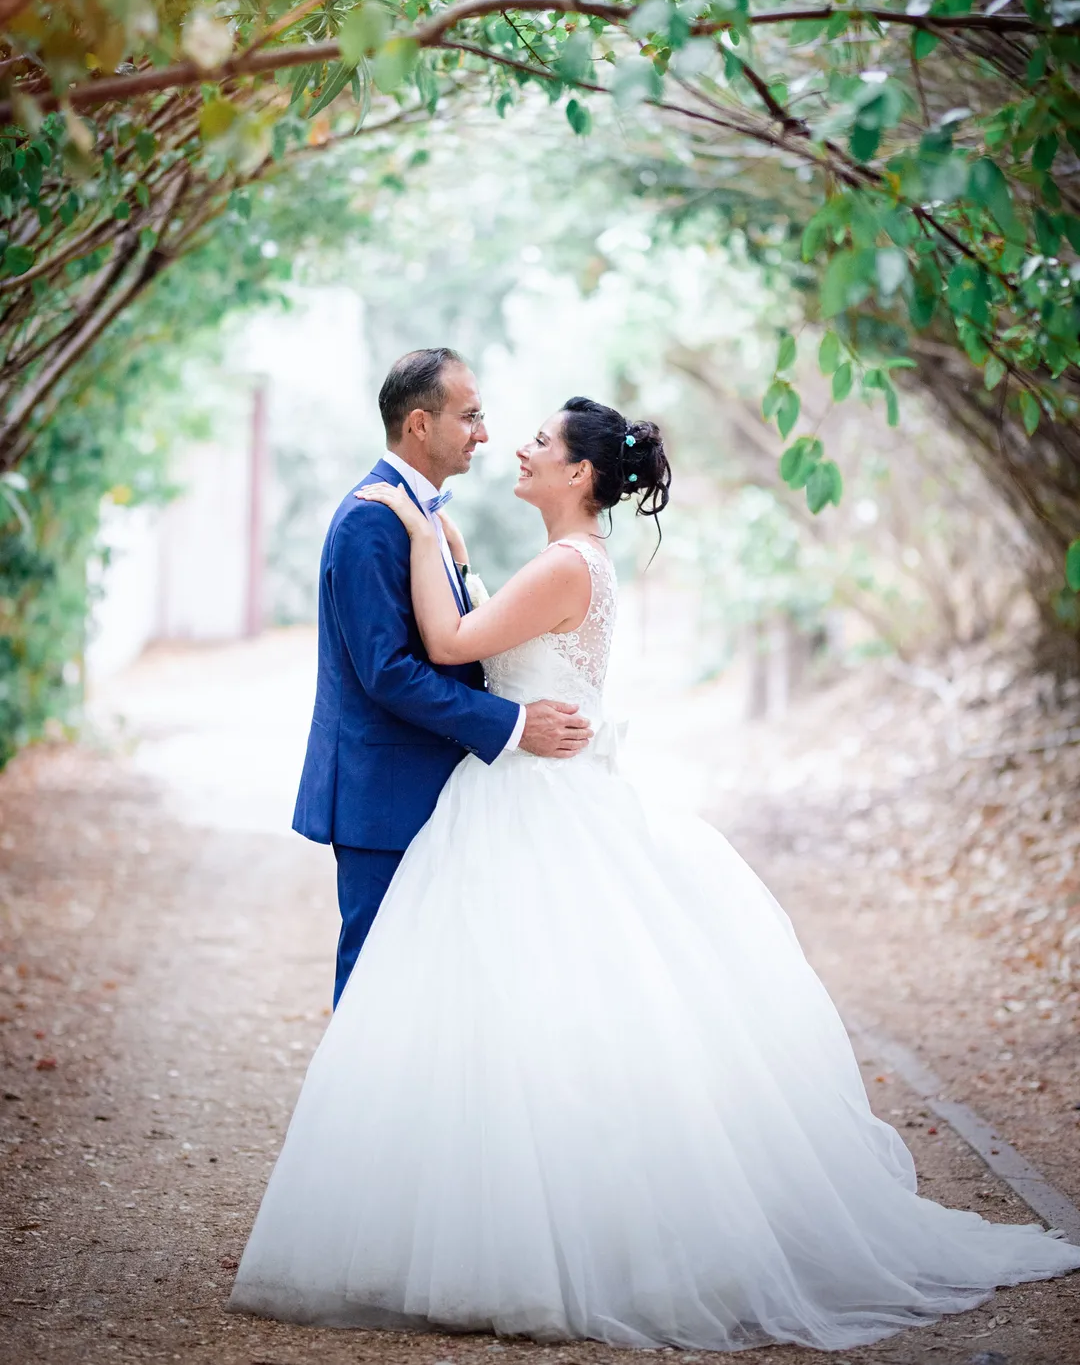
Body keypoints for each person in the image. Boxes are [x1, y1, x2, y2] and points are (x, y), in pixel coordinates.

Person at [231, 396, 1080, 1350]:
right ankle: (508, 1217)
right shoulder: (574, 561)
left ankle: (548, 1233)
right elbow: (488, 650)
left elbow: (448, 648)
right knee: (527, 1013)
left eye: (542, 443)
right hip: (530, 792)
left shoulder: (563, 563)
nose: (521, 445)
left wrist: (422, 532)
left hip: (533, 805)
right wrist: (453, 550)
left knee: (533, 1011)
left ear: (581, 475)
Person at [291, 347, 593, 1006]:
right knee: (375, 992)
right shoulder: (374, 520)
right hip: (385, 798)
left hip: (432, 793)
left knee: (426, 998)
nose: (485, 434)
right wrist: (515, 724)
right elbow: (390, 674)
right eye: (471, 417)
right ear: (421, 425)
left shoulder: (422, 517)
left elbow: (454, 645)